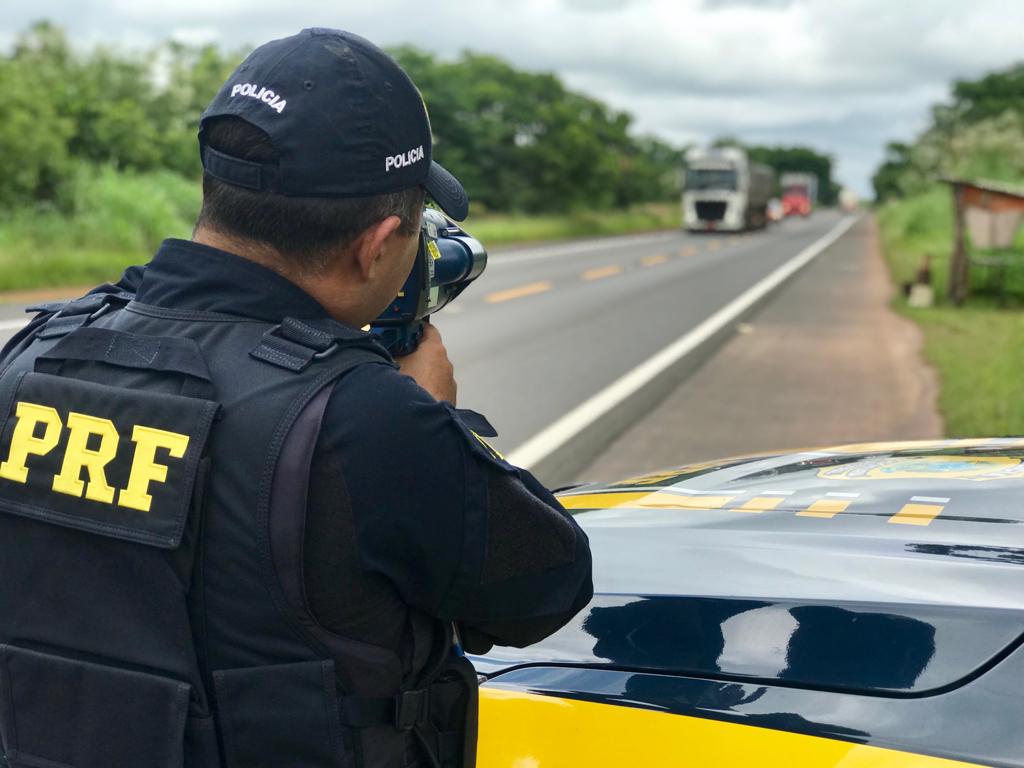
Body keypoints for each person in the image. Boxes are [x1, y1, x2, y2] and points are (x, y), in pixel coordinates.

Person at [0, 28, 592, 768]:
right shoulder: (367, 420)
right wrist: (435, 418)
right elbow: (548, 586)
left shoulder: (35, 354)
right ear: (376, 245)